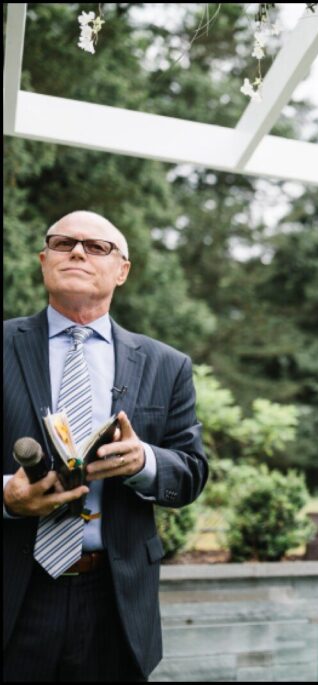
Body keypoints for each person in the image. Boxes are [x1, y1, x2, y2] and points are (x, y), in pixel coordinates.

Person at [3, 211, 208, 681]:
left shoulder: (166, 365)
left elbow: (192, 470)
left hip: (115, 601)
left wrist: (144, 461)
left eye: (96, 247)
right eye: (62, 243)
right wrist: (8, 497)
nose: (77, 251)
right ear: (43, 260)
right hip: (15, 590)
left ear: (123, 270)